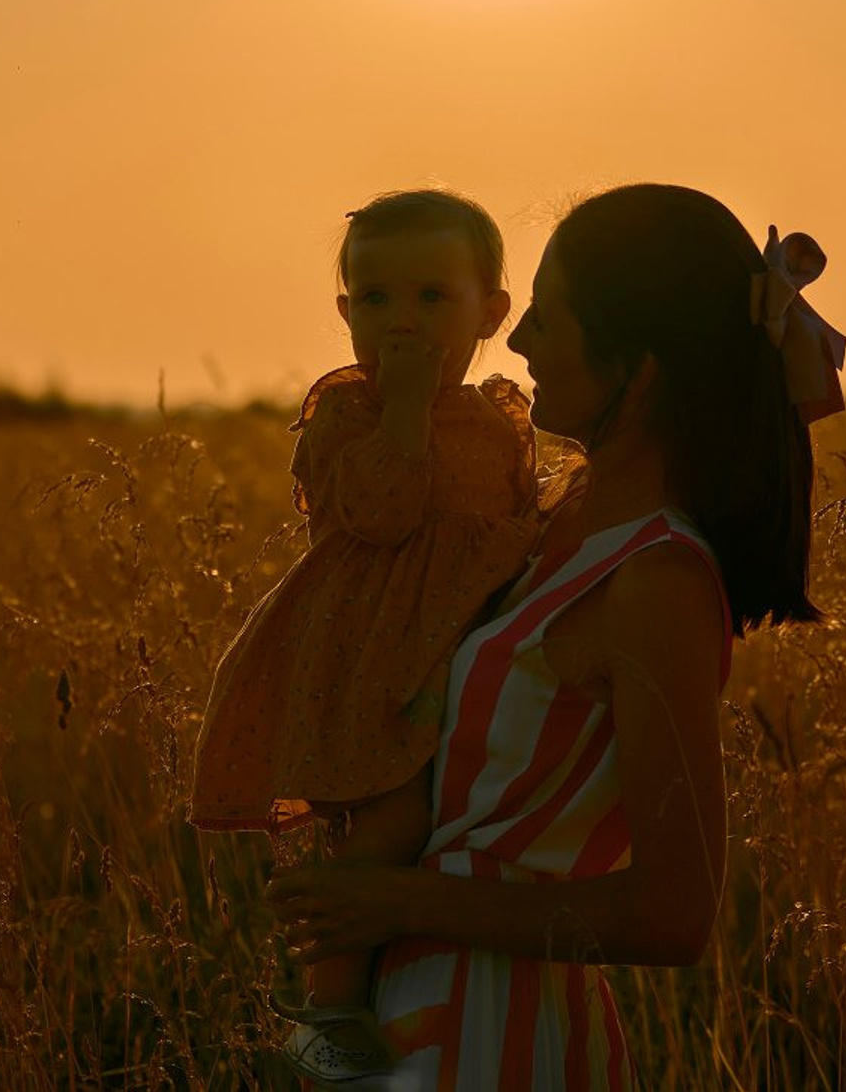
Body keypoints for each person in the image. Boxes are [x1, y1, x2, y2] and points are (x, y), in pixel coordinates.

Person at [265, 183, 846, 1089]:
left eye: (549, 314)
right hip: (413, 1013)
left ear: (638, 366)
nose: (522, 338)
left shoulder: (653, 577)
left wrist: (393, 900)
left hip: (495, 1032)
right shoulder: (544, 520)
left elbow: (674, 915)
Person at [188, 189, 538, 1080]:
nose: (402, 323)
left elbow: (519, 523)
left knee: (455, 821)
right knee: (390, 818)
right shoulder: (348, 415)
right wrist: (408, 408)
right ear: (345, 315)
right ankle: (328, 1008)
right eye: (375, 300)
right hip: (373, 659)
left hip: (457, 648)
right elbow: (380, 514)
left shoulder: (500, 419)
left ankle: (417, 991)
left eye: (432, 298)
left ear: (491, 312)